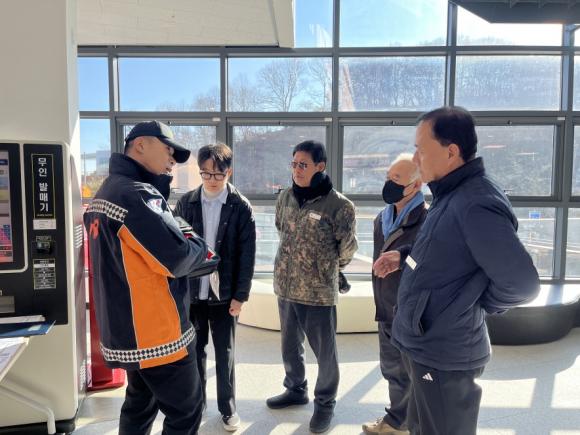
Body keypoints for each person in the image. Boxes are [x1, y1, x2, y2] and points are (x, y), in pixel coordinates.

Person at [374, 107, 541, 435]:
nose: (416, 160)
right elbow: (442, 250)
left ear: (451, 152)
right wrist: (404, 255)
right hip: (424, 344)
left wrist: (471, 303)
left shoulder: (476, 202)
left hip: (443, 353)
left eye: (421, 151)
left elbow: (522, 284)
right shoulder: (449, 192)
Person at [83, 120, 209, 435]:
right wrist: (199, 245)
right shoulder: (136, 194)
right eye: (168, 150)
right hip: (157, 333)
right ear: (141, 144)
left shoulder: (106, 192)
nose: (172, 160)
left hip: (128, 330)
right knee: (186, 412)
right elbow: (178, 257)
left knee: (140, 405)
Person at [266, 140, 358, 434]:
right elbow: (281, 230)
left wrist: (326, 270)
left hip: (318, 293)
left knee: (325, 354)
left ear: (320, 166)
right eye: (294, 163)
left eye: (303, 164)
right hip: (286, 287)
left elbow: (347, 248)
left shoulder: (339, 205)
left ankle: (325, 404)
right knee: (290, 346)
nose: (296, 169)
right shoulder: (285, 197)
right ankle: (295, 389)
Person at [175, 142, 256, 432]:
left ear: (228, 172)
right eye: (206, 173)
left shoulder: (240, 206)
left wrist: (240, 296)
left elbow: (247, 256)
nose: (212, 179)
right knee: (193, 353)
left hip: (225, 296)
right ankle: (198, 405)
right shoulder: (186, 203)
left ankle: (228, 409)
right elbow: (177, 250)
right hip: (192, 294)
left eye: (218, 174)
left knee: (225, 354)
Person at [362, 153, 428, 435]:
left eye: (396, 179)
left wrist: (402, 259)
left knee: (415, 374)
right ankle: (397, 421)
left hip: (411, 313)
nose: (389, 183)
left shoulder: (427, 219)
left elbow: (430, 262)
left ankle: (413, 424)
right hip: (386, 307)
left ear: (416, 185)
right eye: (388, 177)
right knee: (393, 371)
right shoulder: (382, 218)